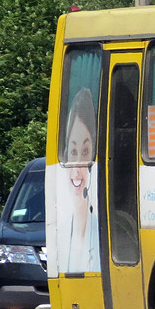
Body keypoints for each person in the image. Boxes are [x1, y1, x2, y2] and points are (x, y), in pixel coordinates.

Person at [60, 87, 100, 273]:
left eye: (85, 153)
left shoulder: (102, 232)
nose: (76, 169)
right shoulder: (60, 231)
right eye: (73, 152)